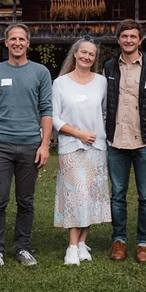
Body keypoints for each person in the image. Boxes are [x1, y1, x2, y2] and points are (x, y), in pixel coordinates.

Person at [0, 23, 53, 269]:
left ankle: (22, 247)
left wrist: (45, 144)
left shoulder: (41, 72)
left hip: (31, 145)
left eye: (22, 39)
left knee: (26, 201)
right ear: (7, 43)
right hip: (0, 145)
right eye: (13, 39)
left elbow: (47, 110)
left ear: (28, 43)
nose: (18, 43)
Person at [103, 19, 146, 263]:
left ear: (140, 40)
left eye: (133, 36)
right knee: (118, 195)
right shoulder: (109, 67)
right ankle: (118, 241)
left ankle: (143, 243)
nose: (129, 40)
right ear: (118, 39)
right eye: (124, 36)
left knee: (145, 196)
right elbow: (105, 104)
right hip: (116, 143)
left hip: (144, 143)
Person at [52, 36, 111, 266]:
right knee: (76, 196)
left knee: (92, 197)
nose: (87, 56)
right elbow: (54, 117)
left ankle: (83, 242)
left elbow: (106, 111)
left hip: (96, 147)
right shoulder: (61, 83)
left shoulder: (101, 82)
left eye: (92, 54)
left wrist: (95, 133)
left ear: (94, 58)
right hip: (71, 147)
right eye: (83, 52)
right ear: (75, 54)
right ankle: (71, 246)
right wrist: (78, 134)